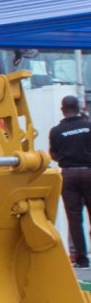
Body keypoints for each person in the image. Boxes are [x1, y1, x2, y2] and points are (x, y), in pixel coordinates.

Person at [50, 95, 91, 268]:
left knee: (74, 218)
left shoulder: (56, 131)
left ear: (63, 110)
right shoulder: (88, 126)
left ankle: (81, 259)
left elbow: (53, 154)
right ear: (79, 107)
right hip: (89, 172)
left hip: (68, 175)